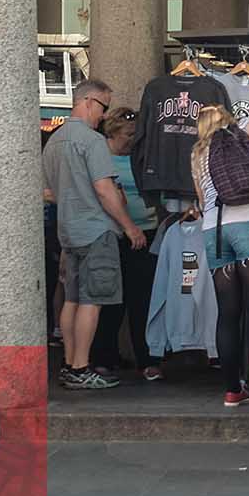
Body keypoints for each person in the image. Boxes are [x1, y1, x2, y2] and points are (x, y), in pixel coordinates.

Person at [42, 80, 147, 391]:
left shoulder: (55, 141)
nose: (104, 116)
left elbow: (48, 192)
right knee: (92, 301)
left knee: (72, 300)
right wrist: (130, 227)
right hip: (96, 230)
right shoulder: (92, 141)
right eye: (103, 107)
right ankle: (81, 366)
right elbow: (105, 190)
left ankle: (70, 364)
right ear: (87, 101)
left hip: (68, 232)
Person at [189, 102, 249, 409]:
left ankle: (232, 389)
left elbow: (203, 200)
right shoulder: (245, 129)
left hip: (215, 231)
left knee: (228, 313)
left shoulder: (198, 152)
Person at [98, 108, 161, 382]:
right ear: (111, 133)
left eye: (136, 135)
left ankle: (146, 358)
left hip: (147, 232)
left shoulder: (140, 157)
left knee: (142, 300)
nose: (132, 140)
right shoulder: (101, 159)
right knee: (112, 300)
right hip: (114, 235)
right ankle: (105, 356)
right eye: (127, 135)